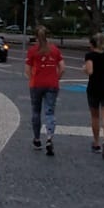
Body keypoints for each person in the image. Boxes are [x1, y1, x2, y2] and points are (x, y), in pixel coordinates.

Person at [24, 25, 65, 155]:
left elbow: (27, 70)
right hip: (52, 84)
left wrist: (32, 80)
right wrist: (56, 78)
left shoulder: (33, 50)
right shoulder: (54, 50)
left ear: (35, 36)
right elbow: (62, 68)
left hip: (36, 84)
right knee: (50, 112)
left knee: (36, 111)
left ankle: (37, 139)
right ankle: (49, 137)